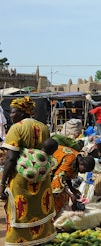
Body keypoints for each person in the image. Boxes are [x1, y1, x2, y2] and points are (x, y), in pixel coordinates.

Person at [0, 96, 57, 245]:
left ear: (22, 112)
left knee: (19, 213)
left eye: (13, 112)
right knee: (38, 210)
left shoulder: (16, 128)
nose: (11, 115)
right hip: (41, 179)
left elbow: (11, 158)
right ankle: (39, 241)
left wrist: (2, 183)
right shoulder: (44, 127)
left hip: (21, 180)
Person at [51, 145, 96, 212]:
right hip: (48, 168)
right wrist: (70, 195)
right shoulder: (70, 160)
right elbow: (58, 181)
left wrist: (72, 189)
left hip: (55, 173)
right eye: (85, 170)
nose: (83, 173)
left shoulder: (77, 160)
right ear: (81, 164)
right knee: (58, 199)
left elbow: (67, 176)